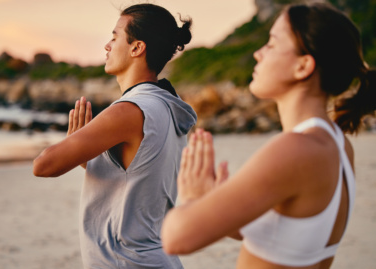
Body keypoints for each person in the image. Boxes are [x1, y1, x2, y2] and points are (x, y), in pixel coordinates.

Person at [161, 2, 376, 269]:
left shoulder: (296, 149)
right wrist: (217, 206)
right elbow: (286, 237)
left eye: (272, 44)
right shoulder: (337, 142)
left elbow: (175, 238)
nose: (258, 54)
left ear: (303, 66)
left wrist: (193, 199)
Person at [33, 3, 196, 268]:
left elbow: (43, 165)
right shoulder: (166, 106)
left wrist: (72, 143)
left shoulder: (128, 110)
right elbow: (133, 173)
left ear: (136, 48)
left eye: (115, 36)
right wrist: (85, 155)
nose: (107, 46)